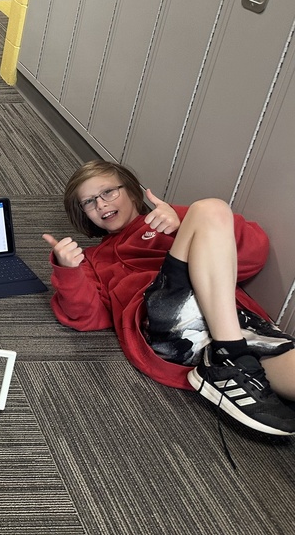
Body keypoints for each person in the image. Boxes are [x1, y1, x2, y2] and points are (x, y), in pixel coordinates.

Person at [43, 160, 295, 436]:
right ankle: (229, 356)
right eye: (89, 202)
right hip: (168, 320)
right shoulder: (92, 259)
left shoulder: (171, 223)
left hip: (233, 322)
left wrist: (180, 221)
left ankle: (230, 363)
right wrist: (69, 271)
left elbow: (253, 256)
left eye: (108, 192)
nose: (101, 204)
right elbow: (87, 316)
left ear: (130, 191)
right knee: (210, 208)